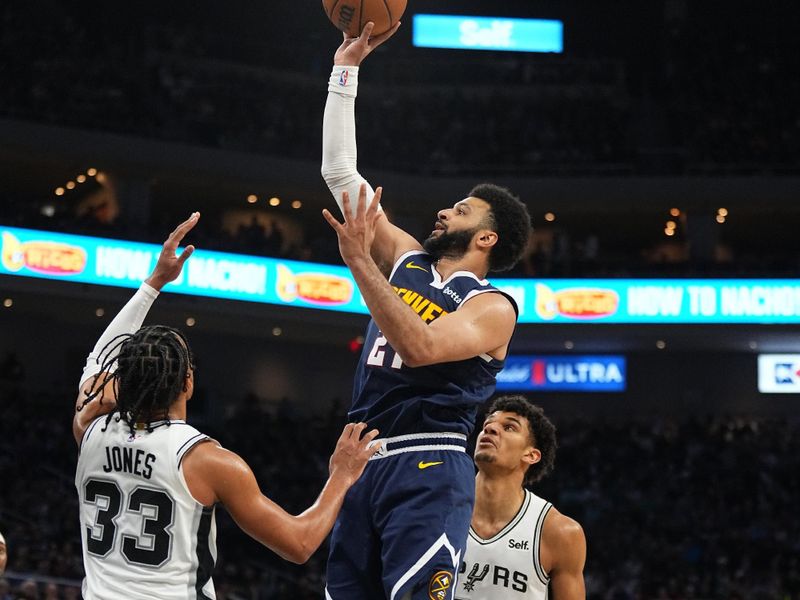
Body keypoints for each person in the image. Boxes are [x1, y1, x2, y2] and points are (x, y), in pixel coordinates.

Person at [320, 23, 533, 600]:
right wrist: (346, 72)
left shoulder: (492, 307)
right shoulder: (407, 257)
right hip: (359, 457)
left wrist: (361, 264)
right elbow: (340, 175)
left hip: (428, 462)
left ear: (486, 239)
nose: (444, 211)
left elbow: (421, 348)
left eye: (461, 210)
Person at [73, 213, 379, 600]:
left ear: (122, 382)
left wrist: (153, 284)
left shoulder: (89, 431)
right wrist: (341, 474)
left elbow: (96, 362)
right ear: (188, 382)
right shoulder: (209, 461)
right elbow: (299, 543)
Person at [457, 396, 585, 599]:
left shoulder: (559, 532)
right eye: (487, 425)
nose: (490, 429)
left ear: (531, 455)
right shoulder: (440, 507)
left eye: (509, 427)